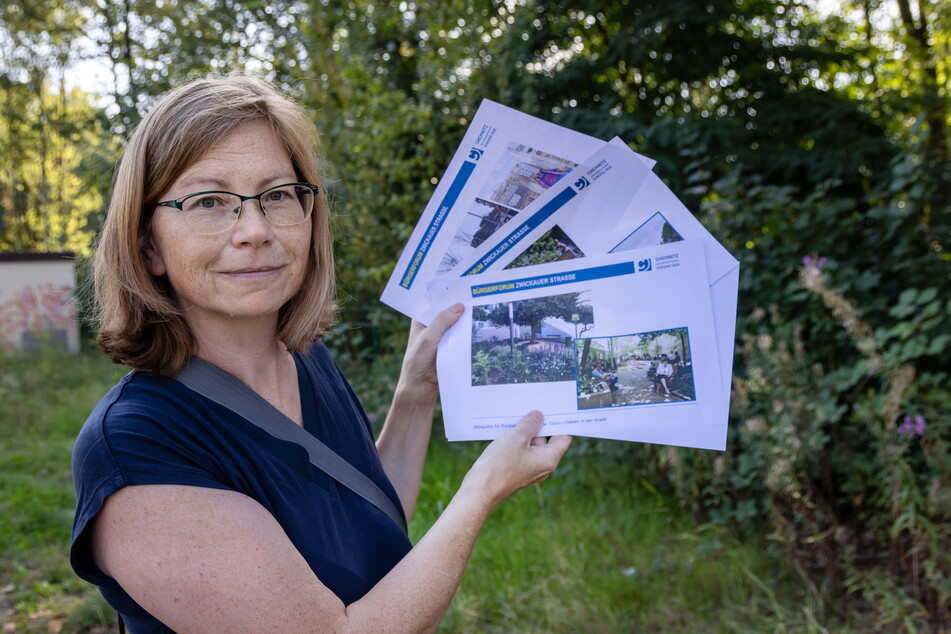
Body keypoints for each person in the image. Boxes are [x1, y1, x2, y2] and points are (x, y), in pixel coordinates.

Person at [70, 75, 572, 633]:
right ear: (147, 245)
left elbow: (366, 530)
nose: (255, 230)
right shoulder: (135, 447)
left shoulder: (308, 359)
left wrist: (416, 392)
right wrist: (480, 494)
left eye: (278, 195)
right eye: (210, 201)